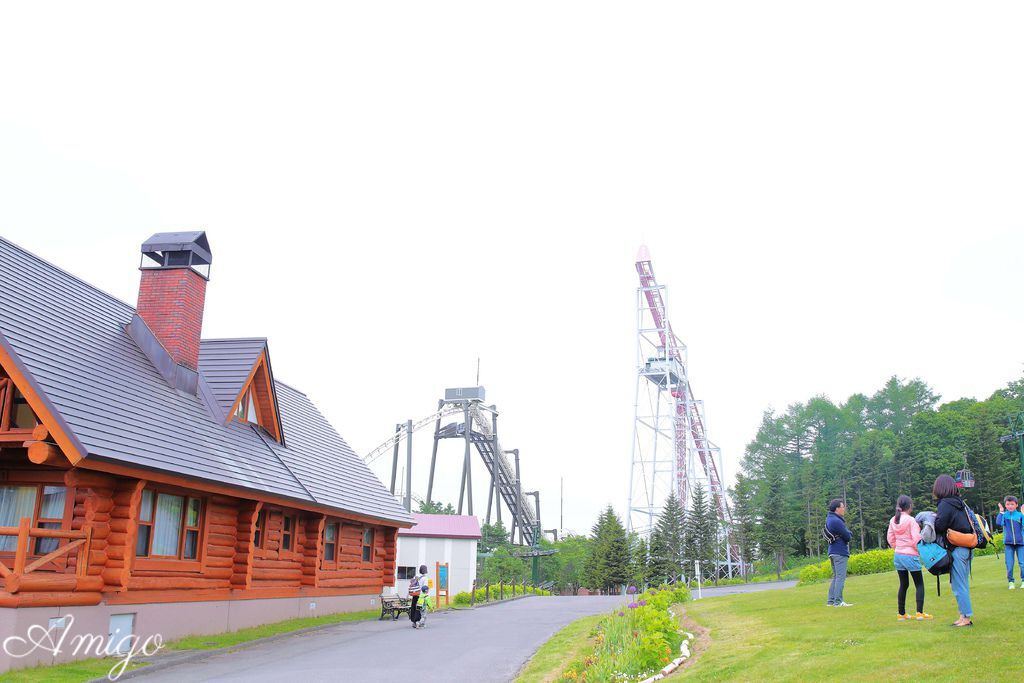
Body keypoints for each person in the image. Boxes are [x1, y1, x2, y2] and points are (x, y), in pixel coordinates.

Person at [933, 474, 974, 627]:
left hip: (957, 549)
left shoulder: (945, 504)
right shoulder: (960, 503)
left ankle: (966, 618)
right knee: (961, 583)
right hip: (967, 547)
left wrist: (934, 519)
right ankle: (963, 615)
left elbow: (940, 526)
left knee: (958, 585)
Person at [887, 495, 931, 621]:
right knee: (919, 584)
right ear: (909, 506)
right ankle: (919, 613)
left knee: (903, 584)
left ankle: (901, 614)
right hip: (910, 555)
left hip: (898, 554)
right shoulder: (911, 520)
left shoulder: (893, 520)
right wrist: (918, 550)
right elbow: (916, 538)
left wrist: (898, 546)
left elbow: (890, 538)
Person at [825, 499, 853, 607]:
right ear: (837, 508)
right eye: (842, 506)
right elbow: (847, 536)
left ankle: (831, 601)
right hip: (839, 551)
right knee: (840, 577)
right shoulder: (836, 521)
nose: (844, 508)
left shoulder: (830, 519)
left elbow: (844, 533)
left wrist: (847, 533)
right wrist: (849, 533)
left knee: (836, 577)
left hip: (832, 551)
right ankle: (838, 601)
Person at [997, 495, 1024, 589]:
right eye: (1008, 504)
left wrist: (1023, 514)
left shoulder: (1020, 515)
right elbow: (998, 522)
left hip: (1021, 543)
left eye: (1012, 504)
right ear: (1005, 505)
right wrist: (1001, 511)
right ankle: (1011, 582)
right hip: (1008, 544)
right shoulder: (1004, 515)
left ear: (1016, 505)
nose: (1010, 506)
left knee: (1022, 563)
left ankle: (1023, 581)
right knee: (1009, 564)